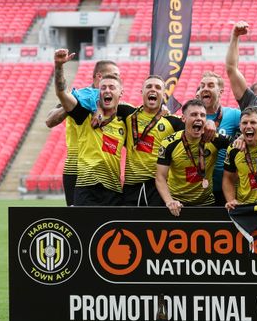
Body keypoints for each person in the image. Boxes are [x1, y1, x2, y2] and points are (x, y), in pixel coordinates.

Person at [51, 49, 127, 206]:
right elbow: (50, 120)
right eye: (115, 75)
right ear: (100, 77)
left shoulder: (121, 113)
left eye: (117, 78)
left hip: (109, 178)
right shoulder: (80, 99)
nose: (117, 79)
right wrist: (93, 104)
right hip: (77, 170)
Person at [156, 99, 231, 214]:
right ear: (183, 119)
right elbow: (160, 177)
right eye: (194, 114)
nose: (199, 118)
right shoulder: (169, 143)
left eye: (202, 115)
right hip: (177, 204)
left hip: (206, 203)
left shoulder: (215, 139)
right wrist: (170, 201)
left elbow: (239, 146)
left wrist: (241, 139)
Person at [122, 75, 184, 206]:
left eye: (158, 87)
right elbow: (104, 102)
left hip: (158, 186)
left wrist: (208, 124)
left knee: (155, 226)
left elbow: (197, 128)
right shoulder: (127, 113)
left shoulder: (173, 121)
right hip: (131, 186)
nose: (153, 90)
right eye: (149, 86)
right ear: (142, 92)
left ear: (163, 94)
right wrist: (99, 109)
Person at [195, 71, 242, 206]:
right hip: (198, 185)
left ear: (221, 92)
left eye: (210, 85)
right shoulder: (193, 117)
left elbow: (254, 125)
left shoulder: (234, 115)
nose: (205, 88)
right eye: (202, 86)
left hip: (227, 184)